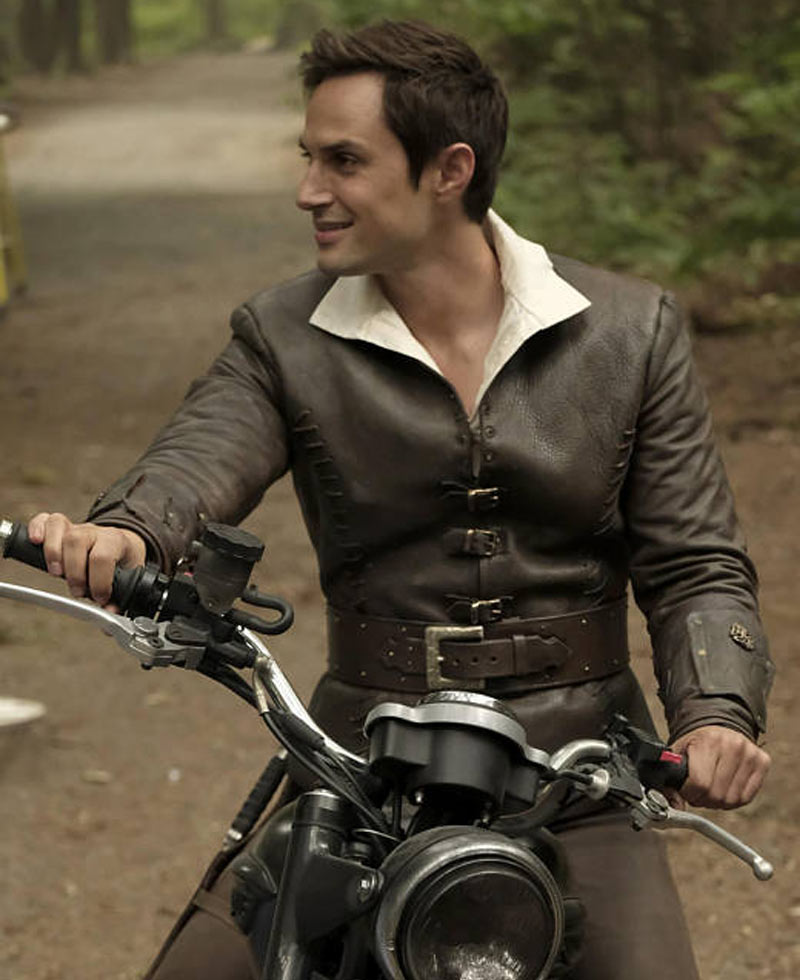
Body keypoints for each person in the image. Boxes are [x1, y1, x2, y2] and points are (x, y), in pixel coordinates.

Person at [28, 20, 772, 980]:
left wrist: (716, 715)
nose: (309, 190)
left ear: (449, 170)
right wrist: (128, 533)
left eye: (343, 161)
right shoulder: (283, 334)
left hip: (579, 773)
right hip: (359, 763)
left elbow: (696, 562)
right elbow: (195, 460)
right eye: (309, 157)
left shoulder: (631, 332)